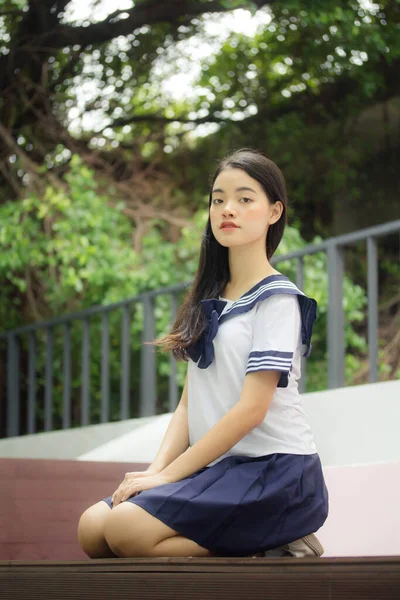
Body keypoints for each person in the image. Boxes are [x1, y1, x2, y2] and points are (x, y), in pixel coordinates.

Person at [77, 148, 329, 559]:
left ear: (273, 211)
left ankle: (275, 541)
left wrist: (171, 476)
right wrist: (156, 472)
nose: (228, 209)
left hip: (277, 472)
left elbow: (252, 410)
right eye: (218, 199)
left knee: (126, 530)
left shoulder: (278, 300)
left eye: (245, 199)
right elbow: (187, 406)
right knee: (93, 529)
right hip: (220, 472)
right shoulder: (209, 299)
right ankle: (256, 543)